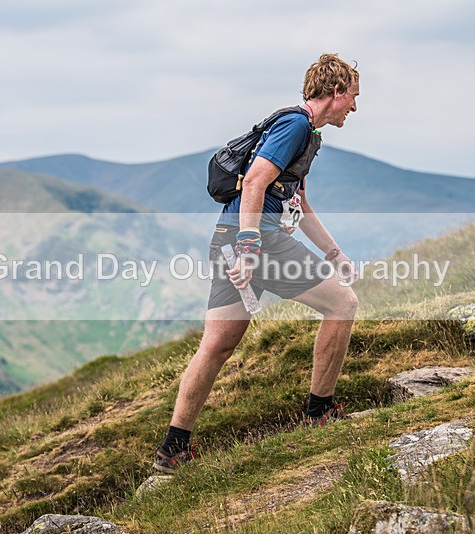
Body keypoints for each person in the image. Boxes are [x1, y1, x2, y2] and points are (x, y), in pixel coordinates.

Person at [153, 53, 361, 474]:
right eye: (353, 96)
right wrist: (251, 250)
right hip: (258, 242)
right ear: (336, 91)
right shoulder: (296, 125)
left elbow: (299, 203)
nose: (355, 107)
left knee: (216, 346)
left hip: (229, 239)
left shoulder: (307, 135)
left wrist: (334, 252)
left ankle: (173, 450)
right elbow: (253, 182)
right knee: (343, 305)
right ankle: (319, 412)